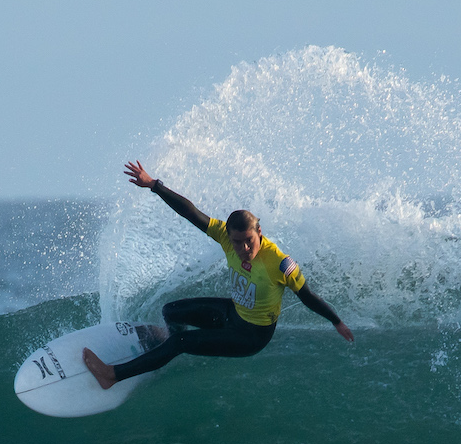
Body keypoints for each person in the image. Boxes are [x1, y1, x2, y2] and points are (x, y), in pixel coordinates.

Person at [83, 161, 354, 389]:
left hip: (252, 336)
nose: (244, 248)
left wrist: (336, 321)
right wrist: (154, 185)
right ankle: (163, 346)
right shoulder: (226, 237)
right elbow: (192, 213)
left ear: (259, 232)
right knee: (172, 311)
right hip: (233, 313)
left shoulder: (279, 263)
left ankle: (113, 375)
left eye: (249, 240)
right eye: (237, 242)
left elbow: (307, 296)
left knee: (181, 341)